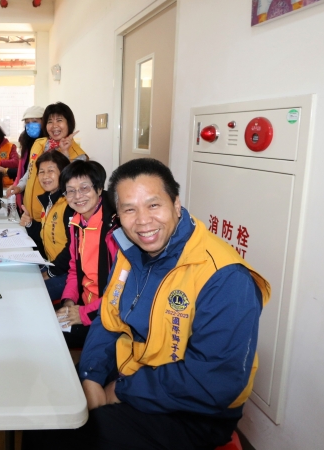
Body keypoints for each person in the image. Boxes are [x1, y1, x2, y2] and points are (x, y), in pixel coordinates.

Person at [22, 158, 270, 450]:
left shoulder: (225, 276)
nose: (142, 220)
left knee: (63, 437)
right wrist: (91, 375)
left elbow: (214, 382)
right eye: (129, 209)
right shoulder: (131, 253)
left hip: (190, 410)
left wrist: (119, 390)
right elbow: (108, 318)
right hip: (128, 370)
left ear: (176, 204)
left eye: (153, 205)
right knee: (44, 413)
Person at [6, 102, 87, 252]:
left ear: (69, 123)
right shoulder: (39, 143)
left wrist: (65, 154)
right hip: (29, 216)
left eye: (59, 120)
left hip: (53, 221)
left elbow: (69, 185)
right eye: (50, 121)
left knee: (50, 255)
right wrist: (19, 187)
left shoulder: (78, 155)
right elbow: (30, 171)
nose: (54, 126)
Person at [55, 160, 117, 349]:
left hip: (109, 314)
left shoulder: (115, 229)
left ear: (99, 189)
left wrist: (83, 314)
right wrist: (68, 301)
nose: (77, 196)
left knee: (48, 336)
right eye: (70, 191)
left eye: (84, 188)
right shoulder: (76, 224)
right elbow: (75, 270)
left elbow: (122, 292)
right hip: (85, 305)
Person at [19, 151, 72, 302]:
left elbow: (73, 248)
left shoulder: (69, 204)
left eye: (51, 171)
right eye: (41, 172)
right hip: (51, 264)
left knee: (27, 294)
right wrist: (30, 223)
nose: (45, 176)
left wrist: (50, 273)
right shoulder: (49, 201)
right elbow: (46, 236)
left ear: (63, 173)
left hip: (67, 273)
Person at [9, 105, 44, 210]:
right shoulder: (25, 142)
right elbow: (26, 170)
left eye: (35, 121)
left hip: (41, 198)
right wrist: (18, 186)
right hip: (26, 194)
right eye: (27, 122)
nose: (30, 125)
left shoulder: (48, 144)